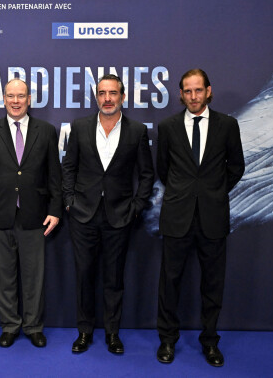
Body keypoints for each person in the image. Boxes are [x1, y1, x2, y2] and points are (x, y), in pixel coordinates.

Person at [156, 69, 245, 366]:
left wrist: (213, 192)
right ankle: (167, 341)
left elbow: (237, 167)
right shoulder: (167, 127)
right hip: (177, 216)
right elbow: (163, 169)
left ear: (209, 91)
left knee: (212, 284)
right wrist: (185, 193)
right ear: (180, 94)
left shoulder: (228, 125)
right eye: (187, 91)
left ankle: (210, 342)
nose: (193, 96)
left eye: (198, 90)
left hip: (213, 216)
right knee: (170, 283)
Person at [62, 74, 154, 354]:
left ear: (122, 97)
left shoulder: (137, 130)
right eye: (102, 93)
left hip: (119, 216)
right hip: (83, 215)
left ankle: (113, 333)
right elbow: (69, 167)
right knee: (84, 276)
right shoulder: (79, 127)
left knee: (114, 279)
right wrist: (69, 201)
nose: (107, 98)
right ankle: (84, 332)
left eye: (113, 93)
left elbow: (147, 174)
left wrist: (136, 207)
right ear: (96, 96)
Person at [0, 78, 62, 348]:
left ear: (29, 99)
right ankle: (10, 326)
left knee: (34, 277)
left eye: (20, 96)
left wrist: (56, 209)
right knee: (4, 277)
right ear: (3, 99)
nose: (15, 101)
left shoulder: (46, 130)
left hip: (35, 217)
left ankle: (34, 327)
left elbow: (54, 175)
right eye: (10, 96)